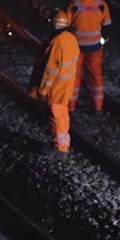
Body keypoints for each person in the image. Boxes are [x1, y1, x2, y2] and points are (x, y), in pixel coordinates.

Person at [29, 9, 80, 154]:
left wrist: (43, 89)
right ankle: (64, 143)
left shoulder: (57, 42)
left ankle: (60, 148)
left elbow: (50, 70)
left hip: (56, 87)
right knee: (62, 114)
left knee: (56, 115)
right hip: (67, 84)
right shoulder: (71, 39)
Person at [66, 0, 112, 114]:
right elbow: (107, 25)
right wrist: (102, 40)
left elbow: (66, 24)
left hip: (76, 46)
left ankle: (71, 106)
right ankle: (98, 107)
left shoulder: (73, 3)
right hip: (95, 47)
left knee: (74, 76)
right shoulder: (101, 4)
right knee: (95, 76)